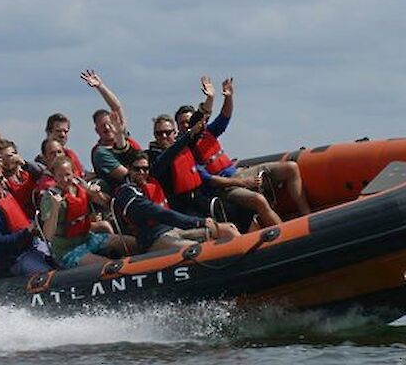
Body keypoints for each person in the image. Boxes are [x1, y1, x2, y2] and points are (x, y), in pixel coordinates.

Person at [177, 78, 310, 225]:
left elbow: (224, 116)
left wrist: (228, 97)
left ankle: (307, 218)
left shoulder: (209, 132)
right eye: (182, 123)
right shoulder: (185, 152)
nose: (186, 125)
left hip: (238, 173)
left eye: (189, 122)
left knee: (291, 168)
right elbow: (211, 181)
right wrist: (243, 182)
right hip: (225, 187)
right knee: (259, 200)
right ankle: (285, 234)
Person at [113, 150, 240, 252]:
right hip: (154, 239)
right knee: (197, 250)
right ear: (128, 168)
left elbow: (169, 154)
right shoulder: (127, 194)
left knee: (228, 229)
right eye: (137, 169)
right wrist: (198, 222)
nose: (142, 173)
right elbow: (158, 212)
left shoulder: (151, 181)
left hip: (173, 229)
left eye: (145, 169)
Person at [40, 155, 138, 268]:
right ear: (54, 177)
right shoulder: (50, 197)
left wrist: (96, 194)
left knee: (132, 243)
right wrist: (55, 208)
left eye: (67, 175)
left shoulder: (80, 185)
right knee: (109, 266)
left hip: (88, 239)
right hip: (67, 250)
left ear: (73, 173)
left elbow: (107, 203)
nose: (65, 180)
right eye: (60, 176)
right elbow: (47, 235)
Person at [0, 164, 54, 277]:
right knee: (46, 274)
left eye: (0, 179)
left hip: (33, 246)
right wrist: (26, 232)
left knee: (58, 262)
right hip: (15, 259)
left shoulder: (7, 196)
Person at [82, 69, 140, 193]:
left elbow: (117, 107)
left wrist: (100, 86)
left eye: (109, 124)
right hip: (124, 194)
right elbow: (127, 175)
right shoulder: (101, 153)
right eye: (103, 126)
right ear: (96, 130)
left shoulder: (121, 135)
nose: (108, 128)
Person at [0, 139, 45, 219]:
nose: (8, 160)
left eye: (10, 156)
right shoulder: (2, 182)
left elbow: (45, 172)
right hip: (21, 221)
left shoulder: (27, 173)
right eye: (3, 157)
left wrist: (24, 163)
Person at [38, 113, 87, 178]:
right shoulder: (40, 163)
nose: (62, 135)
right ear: (48, 132)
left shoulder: (70, 154)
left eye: (65, 132)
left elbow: (82, 175)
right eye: (58, 131)